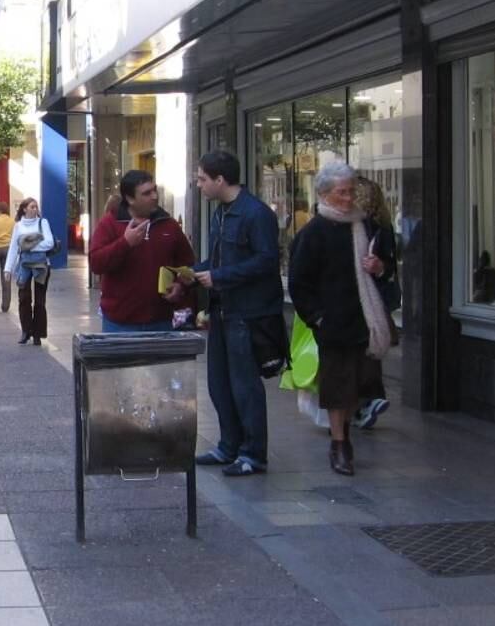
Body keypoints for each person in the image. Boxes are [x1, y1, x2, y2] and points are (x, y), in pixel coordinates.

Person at [289, 162, 393, 476]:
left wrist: (379, 268)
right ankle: (339, 444)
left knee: (359, 385)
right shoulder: (313, 233)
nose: (348, 198)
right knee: (337, 386)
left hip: (364, 321)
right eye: (342, 192)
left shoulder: (366, 226)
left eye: (351, 191)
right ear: (324, 194)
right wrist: (317, 318)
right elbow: (299, 283)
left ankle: (345, 431)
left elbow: (388, 269)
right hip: (333, 324)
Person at [188, 149, 283, 477]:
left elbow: (267, 261)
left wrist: (219, 277)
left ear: (220, 179)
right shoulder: (221, 213)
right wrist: (189, 274)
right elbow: (217, 261)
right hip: (222, 311)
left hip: (247, 313)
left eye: (202, 179)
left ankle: (253, 454)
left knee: (245, 386)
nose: (198, 185)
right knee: (219, 384)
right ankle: (229, 445)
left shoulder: (255, 214)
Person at [88, 170, 196, 332]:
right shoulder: (110, 223)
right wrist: (125, 243)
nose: (154, 196)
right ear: (130, 198)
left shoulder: (169, 224)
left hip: (161, 321)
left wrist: (180, 286)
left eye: (155, 190)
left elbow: (188, 263)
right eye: (146, 193)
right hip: (120, 324)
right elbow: (96, 263)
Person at [353, 176, 398, 430]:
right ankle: (367, 400)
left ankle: (367, 400)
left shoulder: (376, 227)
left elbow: (388, 264)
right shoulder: (381, 225)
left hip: (366, 298)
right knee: (367, 352)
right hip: (369, 298)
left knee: (364, 352)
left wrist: (379, 268)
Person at [3, 197, 55, 345]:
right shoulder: (18, 226)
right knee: (24, 299)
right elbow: (14, 247)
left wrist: (27, 246)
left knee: (40, 301)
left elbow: (49, 243)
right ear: (24, 209)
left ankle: (38, 334)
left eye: (36, 207)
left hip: (41, 265)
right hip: (24, 265)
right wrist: (8, 268)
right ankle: (26, 331)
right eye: (32, 207)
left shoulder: (42, 222)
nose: (35, 209)